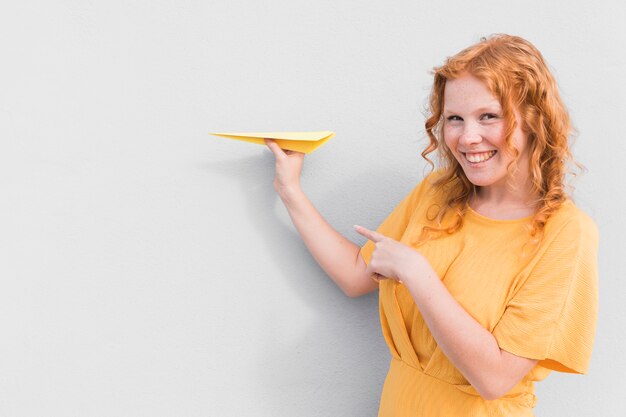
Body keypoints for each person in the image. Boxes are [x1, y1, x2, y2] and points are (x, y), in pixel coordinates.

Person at [264, 34, 598, 417]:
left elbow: (494, 379)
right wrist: (289, 192)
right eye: (455, 118)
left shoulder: (566, 233)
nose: (467, 137)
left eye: (489, 116)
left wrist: (417, 273)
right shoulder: (437, 192)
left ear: (534, 118)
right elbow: (358, 275)